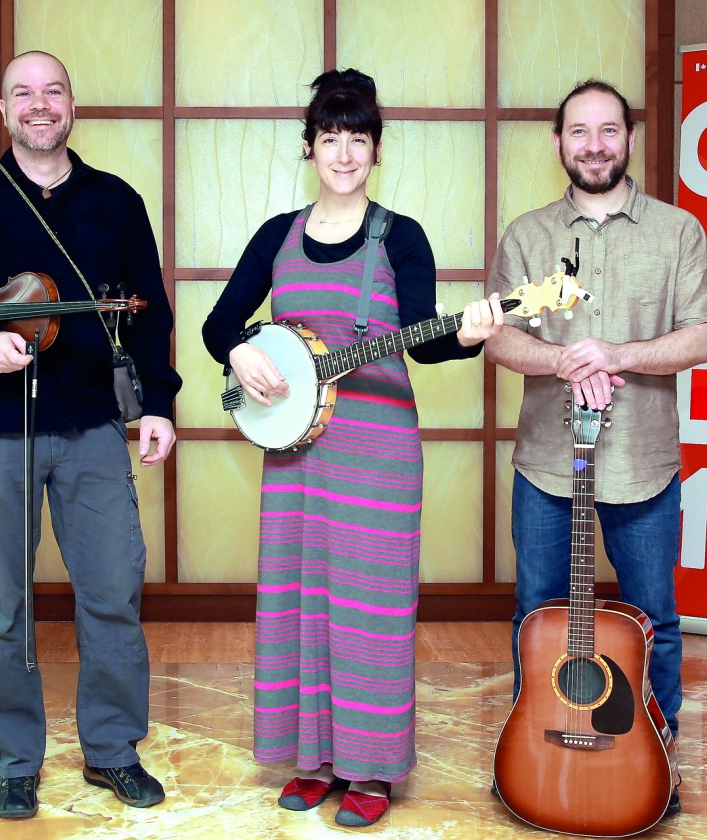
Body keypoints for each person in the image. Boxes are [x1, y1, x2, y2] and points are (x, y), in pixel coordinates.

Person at [202, 68, 503, 828]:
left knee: (371, 611)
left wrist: (466, 336)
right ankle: (312, 760)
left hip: (378, 457)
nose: (344, 153)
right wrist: (238, 353)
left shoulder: (401, 236)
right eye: (330, 138)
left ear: (376, 149)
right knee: (300, 603)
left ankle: (370, 769)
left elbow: (426, 346)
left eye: (358, 139)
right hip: (297, 457)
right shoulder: (278, 235)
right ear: (309, 147)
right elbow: (217, 325)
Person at [0, 50, 181, 820]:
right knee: (5, 602)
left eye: (53, 91)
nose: (39, 105)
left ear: (72, 105)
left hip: (91, 428)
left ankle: (113, 752)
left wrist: (158, 404)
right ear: (6, 111)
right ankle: (17, 760)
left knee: (113, 592)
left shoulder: (116, 201)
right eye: (24, 93)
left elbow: (150, 309)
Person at [483, 78, 707, 817]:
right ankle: (535, 753)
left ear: (629, 138)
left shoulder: (678, 230)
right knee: (537, 616)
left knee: (655, 613)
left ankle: (657, 760)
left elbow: (701, 337)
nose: (594, 145)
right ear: (558, 144)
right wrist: (561, 360)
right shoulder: (528, 234)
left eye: (608, 130)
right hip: (548, 465)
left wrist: (614, 353)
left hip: (643, 464)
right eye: (579, 132)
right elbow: (497, 336)